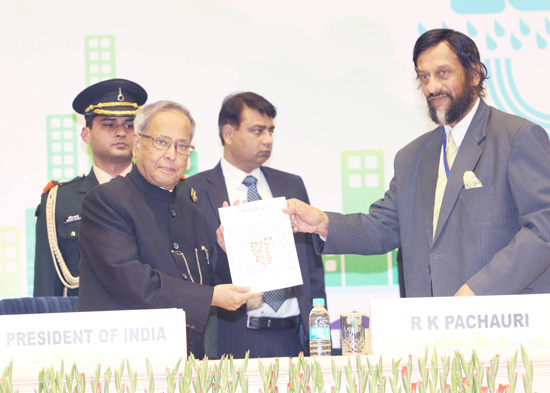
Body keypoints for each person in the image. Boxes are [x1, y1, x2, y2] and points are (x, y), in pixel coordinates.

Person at [284, 28, 550, 297]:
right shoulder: (412, 156)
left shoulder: (517, 136)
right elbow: (383, 227)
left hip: (501, 320)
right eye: (424, 76)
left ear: (473, 74)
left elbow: (543, 228)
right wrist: (322, 223)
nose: (432, 87)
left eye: (443, 73)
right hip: (427, 323)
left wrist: (479, 291)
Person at [76, 100, 261, 357]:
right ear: (138, 145)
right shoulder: (105, 201)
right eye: (162, 142)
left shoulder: (193, 214)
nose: (172, 155)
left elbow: (211, 281)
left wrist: (230, 251)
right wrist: (209, 298)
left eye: (182, 146)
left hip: (186, 364)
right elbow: (131, 280)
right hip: (123, 363)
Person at [187, 92, 327, 358]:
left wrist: (318, 337)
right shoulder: (194, 190)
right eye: (257, 131)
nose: (268, 140)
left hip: (293, 336)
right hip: (231, 337)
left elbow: (312, 268)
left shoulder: (291, 185)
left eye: (271, 131)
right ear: (228, 133)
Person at [34, 79, 147, 297]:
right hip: (83, 325)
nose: (121, 132)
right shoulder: (58, 202)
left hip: (150, 326)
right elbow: (46, 289)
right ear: (86, 135)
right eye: (109, 124)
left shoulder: (161, 193)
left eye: (129, 125)